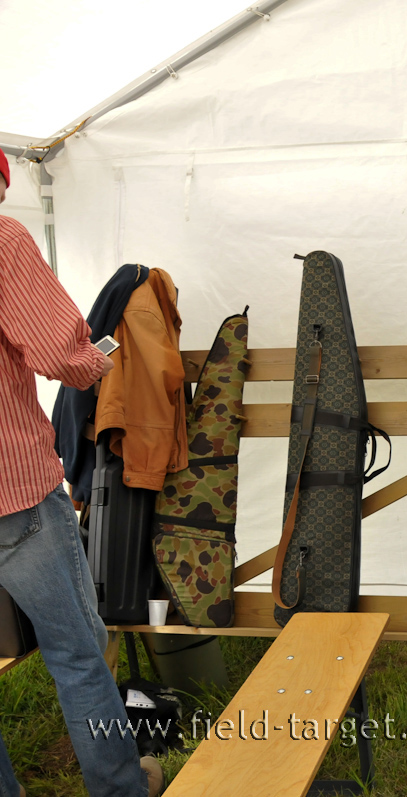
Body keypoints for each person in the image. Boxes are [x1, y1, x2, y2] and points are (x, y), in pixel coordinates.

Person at [0, 155, 163, 796]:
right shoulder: (5, 239)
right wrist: (101, 353)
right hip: (12, 490)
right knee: (75, 650)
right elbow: (59, 356)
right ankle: (121, 787)